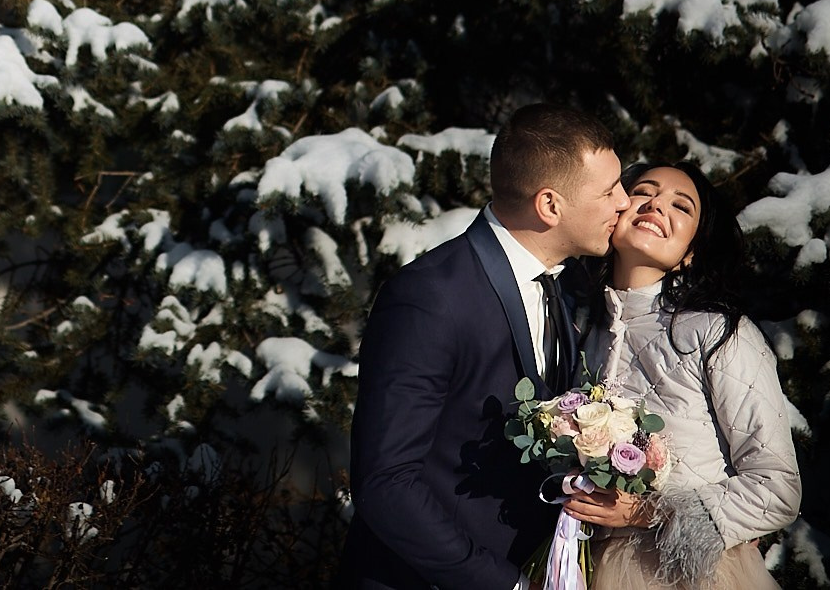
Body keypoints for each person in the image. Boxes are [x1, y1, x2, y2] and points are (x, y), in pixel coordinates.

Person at [343, 104, 629, 590]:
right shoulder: (430, 296)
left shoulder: (569, 287)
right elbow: (387, 484)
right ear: (549, 206)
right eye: (608, 191)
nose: (624, 202)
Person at [563, 162, 801, 590]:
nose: (656, 204)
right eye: (644, 192)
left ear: (692, 250)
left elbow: (777, 488)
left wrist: (647, 513)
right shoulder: (579, 328)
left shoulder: (721, 333)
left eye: (681, 206)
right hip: (581, 567)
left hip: (693, 575)